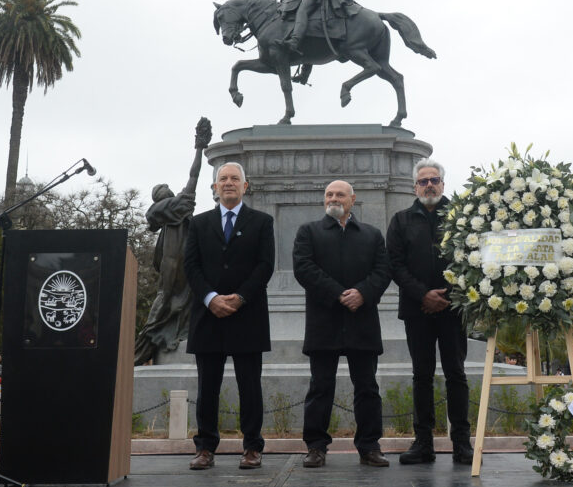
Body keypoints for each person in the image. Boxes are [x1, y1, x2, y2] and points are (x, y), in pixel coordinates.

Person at [183, 162, 275, 471]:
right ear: (214, 187)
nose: (229, 183)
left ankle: (252, 447)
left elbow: (265, 266)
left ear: (245, 186)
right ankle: (205, 448)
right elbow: (191, 267)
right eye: (223, 179)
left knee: (250, 387)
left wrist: (240, 298)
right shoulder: (197, 224)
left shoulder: (262, 222)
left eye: (235, 178)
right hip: (208, 317)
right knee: (207, 387)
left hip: (246, 315)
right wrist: (210, 298)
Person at [294, 180, 391, 469]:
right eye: (329, 194)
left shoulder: (372, 235)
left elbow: (383, 270)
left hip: (362, 321)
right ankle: (315, 447)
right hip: (324, 321)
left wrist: (363, 292)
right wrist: (338, 293)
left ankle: (370, 447)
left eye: (339, 194)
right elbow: (304, 268)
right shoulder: (308, 232)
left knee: (367, 388)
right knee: (320, 387)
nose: (333, 198)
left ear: (352, 199)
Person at [387, 158, 472, 465]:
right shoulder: (400, 220)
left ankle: (462, 443)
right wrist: (423, 294)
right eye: (423, 181)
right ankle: (424, 444)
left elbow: (472, 258)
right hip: (417, 309)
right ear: (415, 187)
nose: (429, 185)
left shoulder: (462, 218)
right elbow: (394, 264)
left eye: (434, 180)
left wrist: (448, 295)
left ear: (443, 184)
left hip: (453, 309)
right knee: (421, 376)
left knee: (456, 374)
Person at [135, 118, 211, 365]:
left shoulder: (161, 215)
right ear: (161, 197)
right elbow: (194, 174)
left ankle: (149, 341)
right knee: (170, 300)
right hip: (179, 265)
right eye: (163, 189)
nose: (167, 190)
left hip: (174, 265)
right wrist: (199, 148)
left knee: (169, 301)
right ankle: (146, 342)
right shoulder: (178, 205)